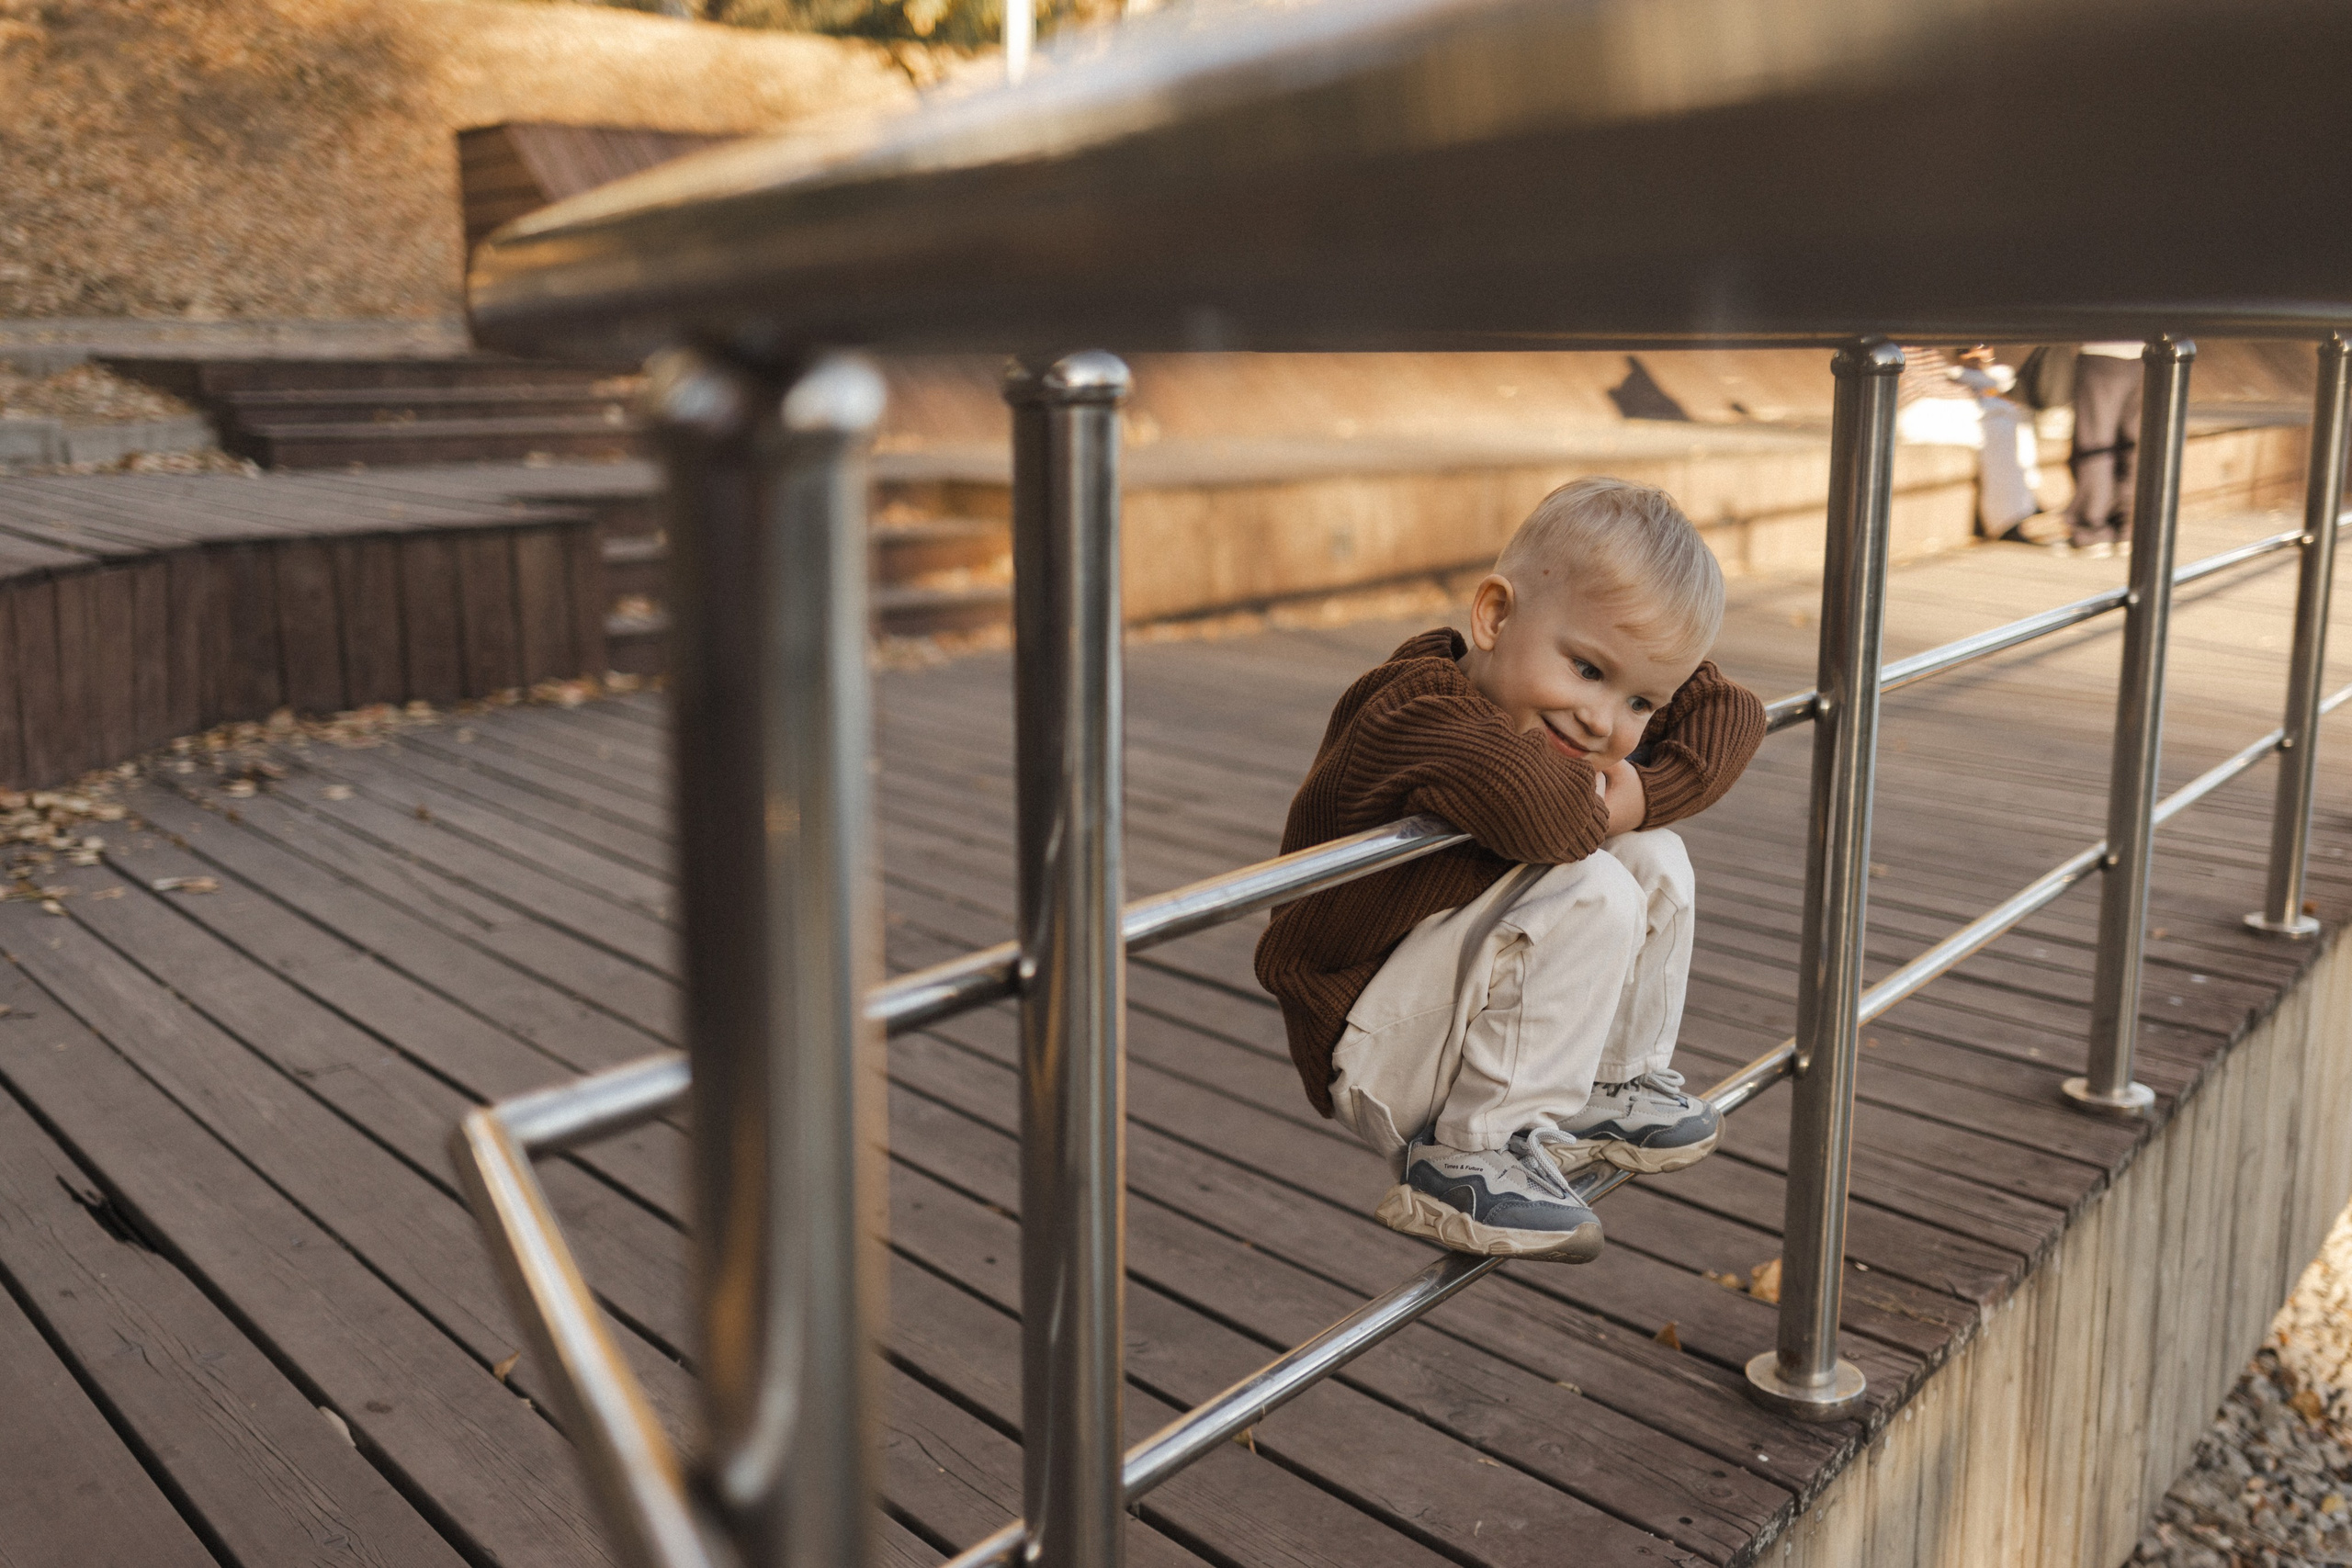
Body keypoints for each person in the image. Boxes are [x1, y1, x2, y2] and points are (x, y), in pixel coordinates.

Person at [1253, 478, 1766, 1262]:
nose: (1605, 721)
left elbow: (1734, 711)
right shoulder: (1421, 715)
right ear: (1494, 615)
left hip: (1440, 1002)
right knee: (1594, 885)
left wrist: (1645, 786)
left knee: (1654, 852)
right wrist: (1622, 795)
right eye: (1588, 670)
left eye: (1642, 704)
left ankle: (1609, 1085)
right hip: (1365, 1034)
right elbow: (1552, 814)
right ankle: (1468, 1154)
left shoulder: (1559, 701)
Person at [1895, 344, 2048, 543]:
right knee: (2000, 419)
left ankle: (2019, 506)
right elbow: (1928, 389)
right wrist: (1978, 394)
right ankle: (2009, 517)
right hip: (1918, 414)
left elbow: (1946, 382)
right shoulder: (1902, 345)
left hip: (1936, 408)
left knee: (2006, 419)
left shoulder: (1925, 343)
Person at [2066, 341, 2146, 557]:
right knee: (2134, 446)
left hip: (2103, 349)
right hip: (2145, 352)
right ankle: (2127, 528)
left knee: (2095, 439)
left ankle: (2092, 529)